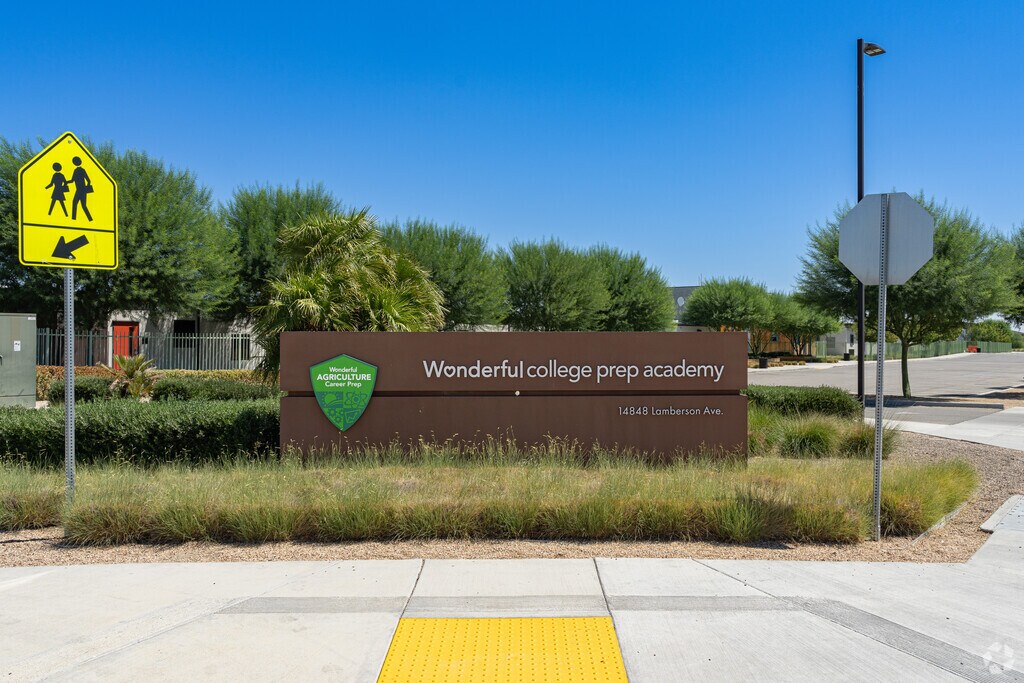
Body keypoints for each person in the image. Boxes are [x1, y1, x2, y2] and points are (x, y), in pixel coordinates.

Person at [68, 156, 93, 221]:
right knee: (83, 205)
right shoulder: (82, 170)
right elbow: (88, 181)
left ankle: (74, 218)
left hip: (79, 190)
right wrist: (86, 188)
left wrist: (66, 182)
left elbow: (72, 180)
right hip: (82, 190)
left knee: (75, 203)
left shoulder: (76, 171)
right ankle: (90, 219)